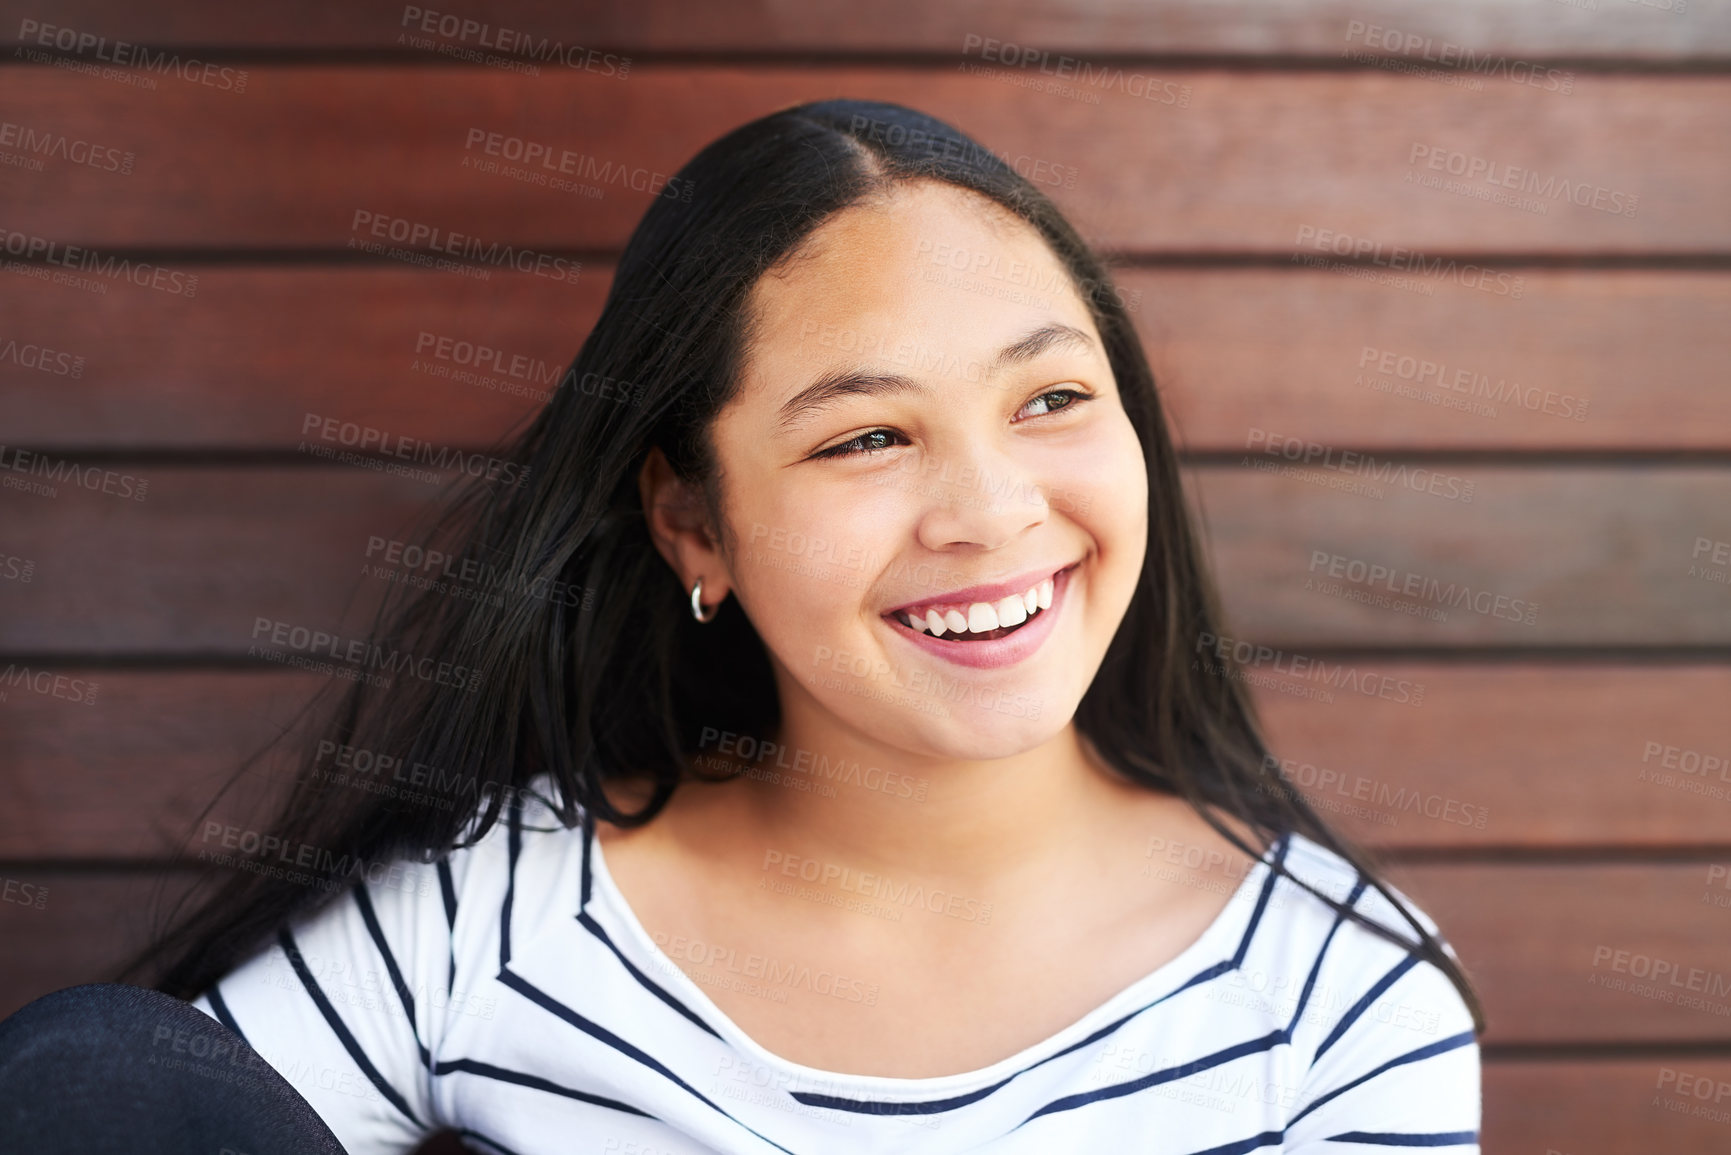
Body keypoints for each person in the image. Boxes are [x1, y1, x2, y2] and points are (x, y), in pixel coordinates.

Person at [2, 99, 1482, 1153]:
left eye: (1049, 400)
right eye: (862, 439)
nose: (987, 510)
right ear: (694, 524)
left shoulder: (1338, 1000)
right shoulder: (499, 917)